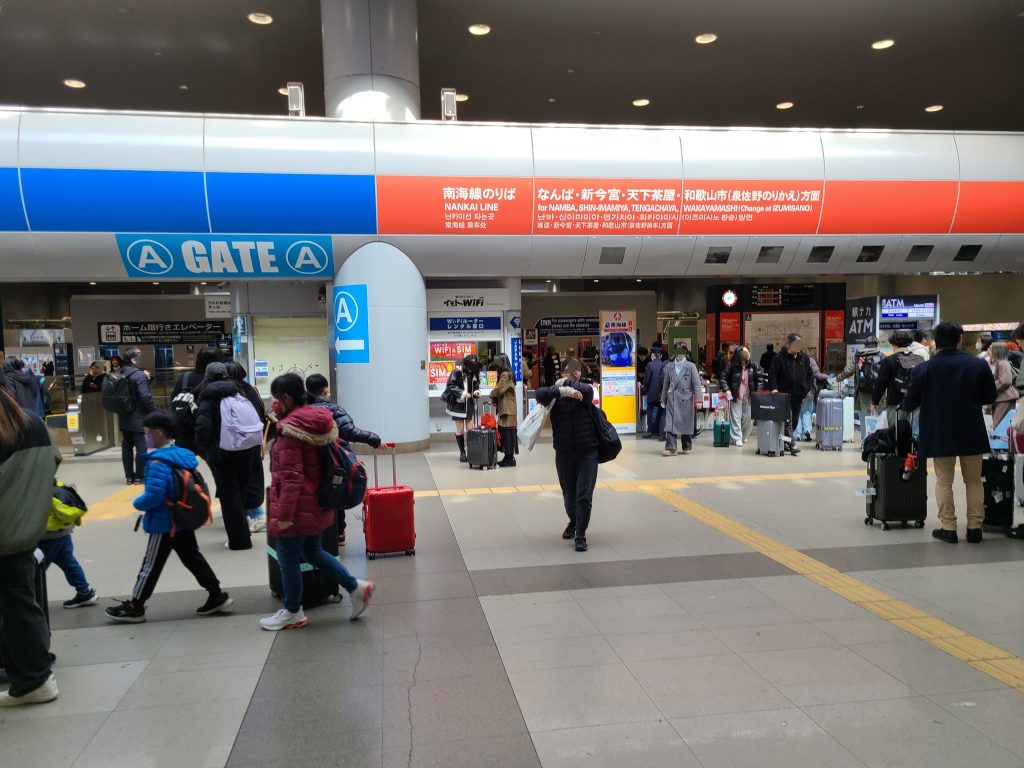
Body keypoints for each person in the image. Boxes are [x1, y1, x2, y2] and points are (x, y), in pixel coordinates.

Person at [259, 373, 375, 630]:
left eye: (276, 399)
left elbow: (290, 477)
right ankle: (356, 587)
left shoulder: (290, 430)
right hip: (318, 499)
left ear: (286, 398)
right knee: (312, 551)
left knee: (288, 556)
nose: (273, 404)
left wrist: (285, 515)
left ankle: (292, 610)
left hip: (298, 504)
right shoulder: (317, 419)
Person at [105, 411, 233, 622]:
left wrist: (137, 503)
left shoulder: (157, 463)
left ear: (158, 433)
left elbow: (154, 495)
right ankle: (216, 594)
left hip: (164, 523)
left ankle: (135, 606)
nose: (145, 438)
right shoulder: (181, 456)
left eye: (146, 433)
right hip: (183, 519)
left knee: (150, 565)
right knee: (193, 558)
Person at [900, 322, 997, 543]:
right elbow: (989, 397)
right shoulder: (977, 365)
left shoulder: (924, 369)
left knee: (944, 481)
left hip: (939, 430)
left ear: (936, 341)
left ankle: (949, 528)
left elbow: (910, 402)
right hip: (971, 429)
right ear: (960, 339)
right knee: (973, 480)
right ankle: (974, 528)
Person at [0, 387, 61, 707]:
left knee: (16, 607)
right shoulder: (34, 423)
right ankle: (29, 674)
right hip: (25, 530)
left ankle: (34, 678)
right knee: (19, 603)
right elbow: (54, 460)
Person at [306, 372, 381, 540]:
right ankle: (338, 533)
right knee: (335, 491)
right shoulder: (334, 410)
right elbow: (351, 432)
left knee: (313, 494)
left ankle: (316, 533)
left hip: (309, 462)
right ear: (325, 391)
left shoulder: (301, 411)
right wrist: (375, 440)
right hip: (335, 461)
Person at [194, 362, 256, 550]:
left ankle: (239, 541)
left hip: (222, 455)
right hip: (245, 451)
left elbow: (202, 429)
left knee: (230, 499)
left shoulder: (208, 399)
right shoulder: (239, 393)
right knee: (240, 495)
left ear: (207, 378)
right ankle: (244, 534)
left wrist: (203, 449)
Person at [535, 367, 598, 552]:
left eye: (576, 371)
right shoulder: (554, 395)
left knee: (584, 495)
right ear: (560, 374)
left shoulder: (585, 391)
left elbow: (588, 391)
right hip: (564, 452)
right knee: (569, 495)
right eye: (568, 372)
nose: (573, 374)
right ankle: (573, 520)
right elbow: (540, 393)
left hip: (588, 451)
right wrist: (561, 390)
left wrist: (569, 384)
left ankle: (580, 534)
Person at [37, 479, 96, 609]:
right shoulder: (59, 485)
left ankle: (31, 600)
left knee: (35, 569)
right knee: (69, 563)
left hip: (47, 538)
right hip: (63, 535)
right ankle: (84, 592)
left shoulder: (39, 489)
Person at [226, 362, 269, 534]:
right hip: (253, 440)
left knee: (245, 480)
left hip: (239, 443)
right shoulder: (251, 389)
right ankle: (252, 514)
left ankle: (256, 515)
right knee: (251, 478)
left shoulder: (234, 393)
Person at [767, 333, 813, 456]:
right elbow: (772, 374)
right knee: (787, 421)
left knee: (795, 421)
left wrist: (806, 388)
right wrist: (774, 389)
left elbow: (810, 375)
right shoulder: (779, 358)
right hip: (783, 395)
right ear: (790, 344)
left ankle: (785, 442)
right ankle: (792, 444)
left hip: (798, 395)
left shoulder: (804, 358)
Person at [116, 347, 156, 485]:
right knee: (141, 447)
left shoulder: (119, 373)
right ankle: (140, 477)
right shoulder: (139, 375)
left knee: (126, 447)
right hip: (139, 417)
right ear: (133, 359)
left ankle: (128, 477)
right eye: (138, 356)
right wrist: (153, 411)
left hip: (123, 416)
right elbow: (145, 396)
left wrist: (147, 378)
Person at [871, 331, 924, 427]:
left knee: (895, 434)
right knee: (914, 433)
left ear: (893, 344)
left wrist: (875, 402)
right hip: (916, 403)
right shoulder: (919, 359)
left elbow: (881, 383)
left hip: (896, 403)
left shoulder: (889, 360)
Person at [835, 336, 882, 440]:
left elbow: (848, 371)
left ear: (865, 344)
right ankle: (877, 443)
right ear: (877, 344)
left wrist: (838, 378)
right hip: (879, 394)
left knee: (864, 420)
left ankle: (865, 443)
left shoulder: (859, 355)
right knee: (879, 421)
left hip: (863, 393)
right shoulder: (882, 356)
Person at [661, 350, 703, 456]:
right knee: (670, 423)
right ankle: (671, 448)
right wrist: (663, 398)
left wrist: (699, 400)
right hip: (672, 398)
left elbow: (697, 384)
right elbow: (665, 384)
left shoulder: (691, 366)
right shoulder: (669, 366)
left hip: (686, 398)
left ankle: (687, 445)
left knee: (686, 422)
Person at [721, 348, 762, 447]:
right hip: (736, 395)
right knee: (735, 417)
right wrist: (727, 389)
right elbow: (723, 377)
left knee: (749, 418)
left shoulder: (754, 365)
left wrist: (758, 393)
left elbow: (760, 380)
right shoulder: (731, 365)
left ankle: (743, 435)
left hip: (749, 395)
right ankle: (737, 438)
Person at [443, 354, 481, 463]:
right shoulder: (456, 371)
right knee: (460, 429)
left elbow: (476, 386)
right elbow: (450, 386)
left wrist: (476, 392)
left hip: (469, 404)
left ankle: (470, 451)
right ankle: (462, 452)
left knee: (470, 429)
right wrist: (463, 393)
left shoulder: (474, 373)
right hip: (458, 405)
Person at [488, 357, 519, 467]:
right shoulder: (508, 373)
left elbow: (500, 389)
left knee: (507, 433)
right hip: (507, 408)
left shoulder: (505, 374)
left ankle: (509, 458)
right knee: (506, 432)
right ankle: (508, 457)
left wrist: (491, 394)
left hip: (508, 409)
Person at [989, 342, 1019, 428]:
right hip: (1003, 398)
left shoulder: (1003, 363)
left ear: (997, 351)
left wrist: (989, 386)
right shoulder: (1001, 363)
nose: (988, 351)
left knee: (999, 426)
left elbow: (1005, 381)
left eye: (990, 349)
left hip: (1005, 398)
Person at [642, 346, 666, 439]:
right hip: (662, 394)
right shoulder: (664, 364)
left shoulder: (650, 365)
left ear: (653, 355)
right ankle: (661, 432)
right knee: (661, 412)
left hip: (652, 393)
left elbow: (647, 380)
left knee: (651, 412)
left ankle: (651, 431)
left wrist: (646, 389)